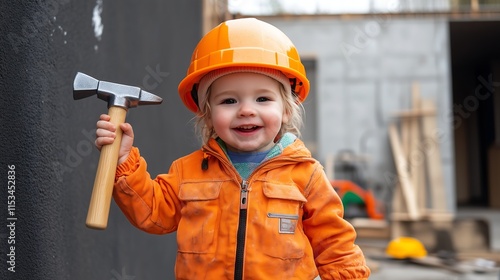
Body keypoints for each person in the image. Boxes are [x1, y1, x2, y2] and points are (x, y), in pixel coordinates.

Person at [95, 17, 370, 280]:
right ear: (207, 113)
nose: (246, 111)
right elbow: (153, 214)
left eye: (263, 98)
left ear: (286, 110)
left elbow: (335, 246)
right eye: (229, 101)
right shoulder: (188, 171)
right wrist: (123, 161)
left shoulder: (306, 175)